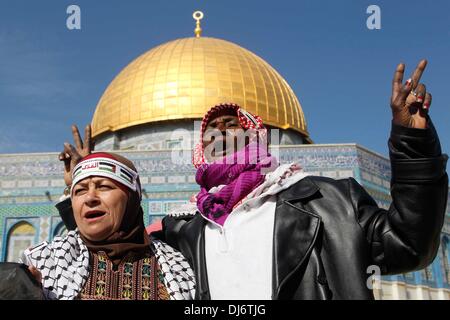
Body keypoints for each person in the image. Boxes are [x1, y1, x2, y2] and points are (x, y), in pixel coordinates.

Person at [56, 60, 448, 300]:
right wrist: (89, 181)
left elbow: (410, 244)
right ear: (201, 149)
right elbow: (111, 258)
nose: (222, 133)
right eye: (211, 130)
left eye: (233, 125)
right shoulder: (182, 235)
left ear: (257, 134)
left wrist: (412, 142)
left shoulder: (328, 204)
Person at [21, 152, 196, 300]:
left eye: (104, 187)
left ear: (132, 198)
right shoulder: (44, 264)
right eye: (80, 190)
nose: (90, 198)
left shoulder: (177, 268)